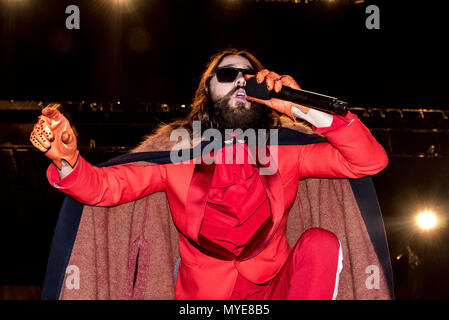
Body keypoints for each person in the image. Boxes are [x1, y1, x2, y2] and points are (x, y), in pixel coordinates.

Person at [31, 49, 389, 300]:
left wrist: (297, 108)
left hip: (276, 287)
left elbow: (368, 161)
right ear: (207, 90)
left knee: (321, 244)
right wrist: (68, 159)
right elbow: (105, 188)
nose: (240, 82)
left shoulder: (284, 150)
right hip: (204, 297)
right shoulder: (176, 152)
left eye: (249, 76)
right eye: (227, 74)